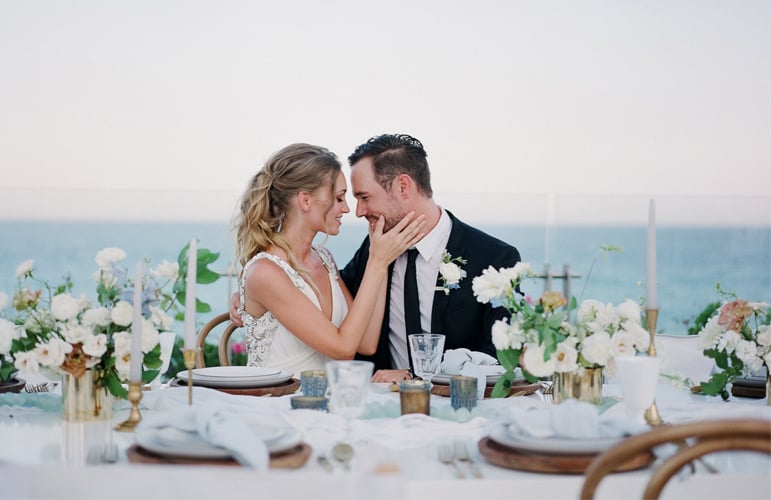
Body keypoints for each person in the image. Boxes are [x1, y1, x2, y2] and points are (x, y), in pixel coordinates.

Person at [339, 134, 521, 383]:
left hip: (459, 408)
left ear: (403, 186)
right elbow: (341, 311)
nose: (359, 211)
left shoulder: (495, 259)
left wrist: (415, 378)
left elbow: (498, 357)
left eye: (365, 197)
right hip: (382, 406)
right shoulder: (373, 249)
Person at [232, 143, 425, 375]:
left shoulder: (323, 259)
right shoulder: (265, 272)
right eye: (339, 198)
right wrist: (377, 263)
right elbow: (342, 349)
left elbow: (365, 342)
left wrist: (381, 261)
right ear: (305, 201)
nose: (346, 209)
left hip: (325, 401)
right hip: (278, 400)